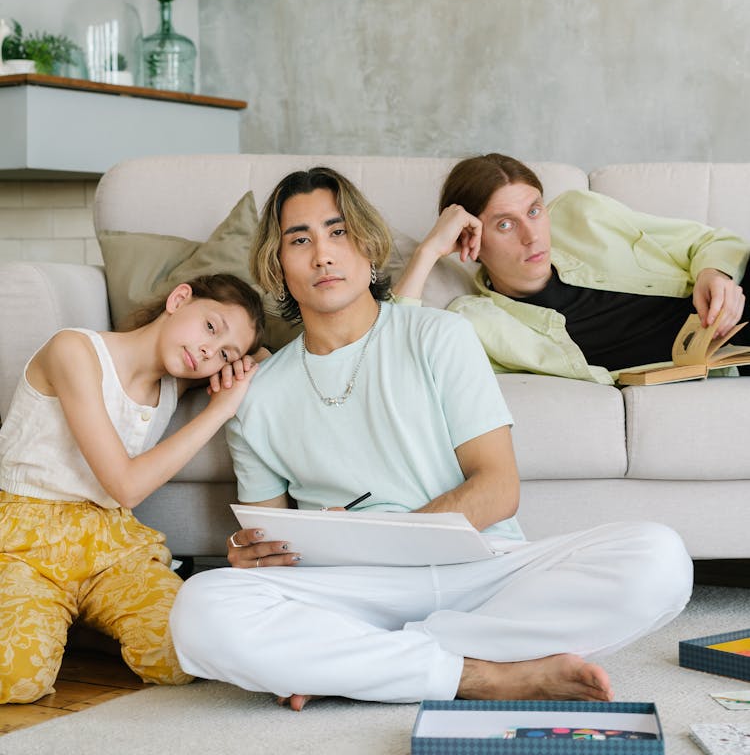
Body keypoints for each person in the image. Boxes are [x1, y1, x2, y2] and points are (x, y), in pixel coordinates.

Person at [170, 167, 692, 709]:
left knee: (660, 557)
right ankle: (480, 676)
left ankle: (359, 664)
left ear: (369, 245)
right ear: (277, 266)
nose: (323, 254)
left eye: (338, 232)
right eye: (300, 240)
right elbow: (268, 541)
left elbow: (497, 490)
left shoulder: (441, 336)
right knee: (201, 607)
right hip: (355, 591)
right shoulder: (257, 395)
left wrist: (389, 540)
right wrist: (247, 552)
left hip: (484, 571)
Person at [0, 273, 265, 705]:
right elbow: (125, 486)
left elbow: (263, 356)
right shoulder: (75, 350)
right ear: (179, 299)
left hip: (110, 546)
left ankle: (78, 626)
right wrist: (219, 412)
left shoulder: (173, 381)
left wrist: (247, 360)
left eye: (223, 354)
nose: (208, 351)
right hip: (26, 544)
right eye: (210, 328)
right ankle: (49, 618)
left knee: (183, 659)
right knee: (17, 680)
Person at [393, 153, 750, 384]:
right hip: (731, 361)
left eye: (534, 211)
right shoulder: (480, 322)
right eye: (505, 224)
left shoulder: (581, 215)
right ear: (470, 238)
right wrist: (428, 251)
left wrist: (714, 274)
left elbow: (712, 241)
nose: (532, 236)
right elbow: (396, 361)